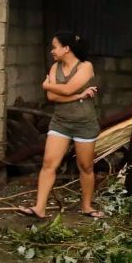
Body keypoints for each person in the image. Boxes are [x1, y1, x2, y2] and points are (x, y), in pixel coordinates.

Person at [19, 32, 101, 219]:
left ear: (67, 48)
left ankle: (87, 206)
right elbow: (53, 97)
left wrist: (47, 85)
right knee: (48, 164)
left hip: (84, 124)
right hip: (60, 122)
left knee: (85, 166)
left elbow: (67, 89)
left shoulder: (85, 66)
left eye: (55, 47)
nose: (52, 51)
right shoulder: (55, 67)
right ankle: (39, 208)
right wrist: (80, 96)